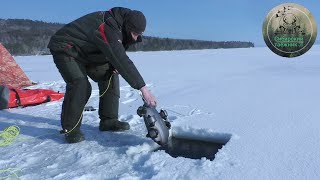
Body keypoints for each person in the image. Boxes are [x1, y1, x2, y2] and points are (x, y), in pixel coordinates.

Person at [47, 7, 157, 143]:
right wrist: (143, 89)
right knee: (80, 84)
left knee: (110, 73)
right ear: (128, 27)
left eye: (139, 34)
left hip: (89, 52)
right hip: (66, 48)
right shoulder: (107, 27)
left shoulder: (121, 26)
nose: (136, 38)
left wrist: (115, 65)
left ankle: (108, 121)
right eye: (134, 33)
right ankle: (70, 130)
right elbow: (120, 58)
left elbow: (116, 53)